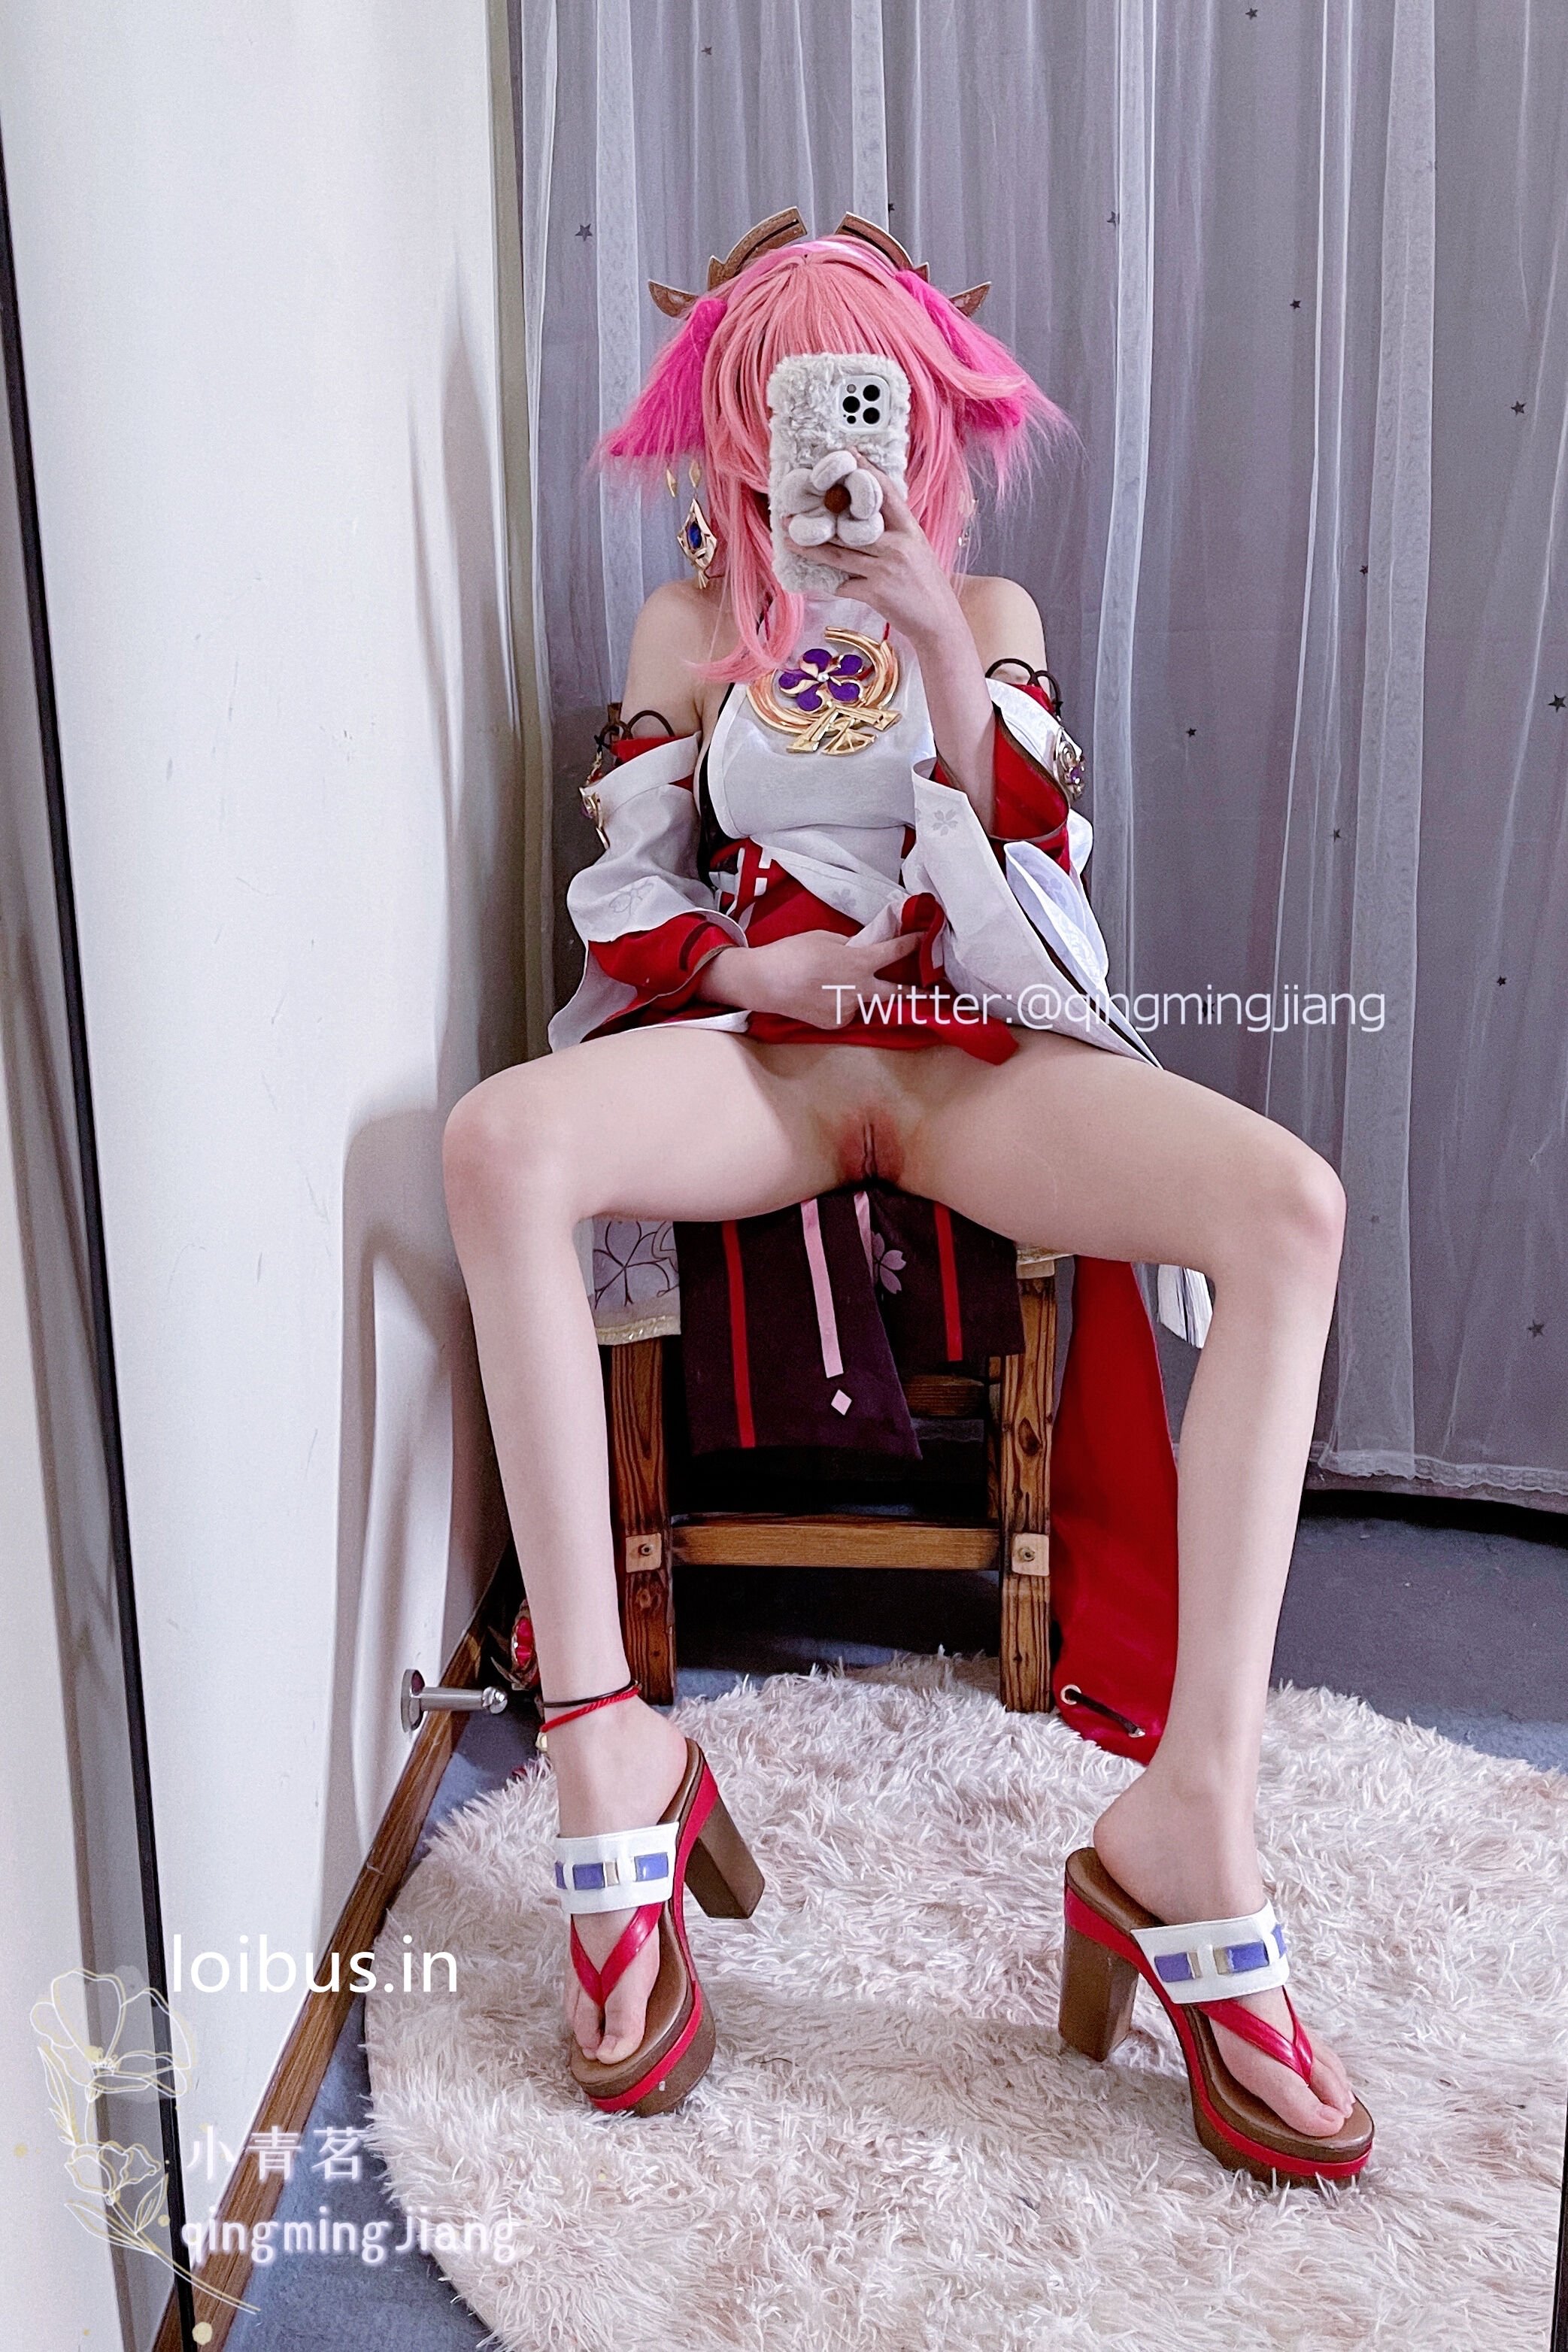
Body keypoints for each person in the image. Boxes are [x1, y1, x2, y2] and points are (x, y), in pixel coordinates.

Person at [441, 212, 1373, 2180]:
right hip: (772, 1058)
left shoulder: (988, 602)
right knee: (500, 1143)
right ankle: (611, 1751)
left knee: (1290, 1208)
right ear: (734, 429)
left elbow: (1036, 852)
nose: (823, 447)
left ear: (922, 418)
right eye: (781, 406)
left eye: (862, 401)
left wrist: (938, 628)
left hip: (962, 1059)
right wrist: (753, 969)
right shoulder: (689, 630)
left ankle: (1193, 1821)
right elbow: (626, 893)